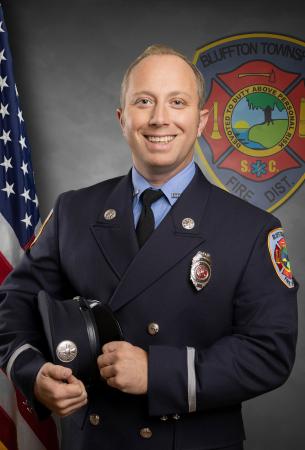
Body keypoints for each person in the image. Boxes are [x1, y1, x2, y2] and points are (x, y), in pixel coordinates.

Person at [0, 45, 298, 450]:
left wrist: (157, 373)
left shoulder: (251, 229)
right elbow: (12, 305)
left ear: (201, 121)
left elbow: (269, 352)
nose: (160, 118)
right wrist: (33, 373)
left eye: (177, 102)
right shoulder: (74, 210)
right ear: (122, 119)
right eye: (144, 102)